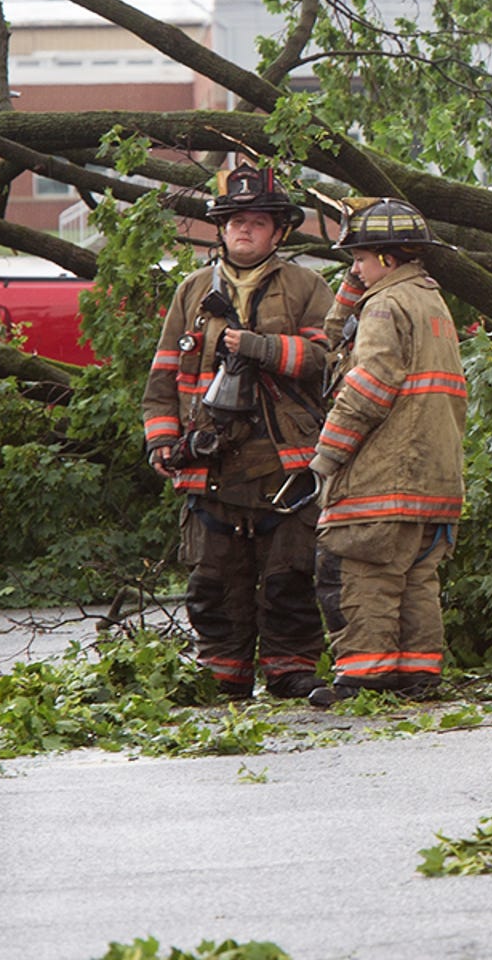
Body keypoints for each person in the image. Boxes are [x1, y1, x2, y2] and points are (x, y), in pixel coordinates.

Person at [140, 163, 336, 700]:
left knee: (288, 575)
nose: (243, 230)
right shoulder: (192, 292)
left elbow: (327, 360)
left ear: (279, 231)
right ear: (220, 229)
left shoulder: (306, 286)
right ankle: (222, 675)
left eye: (256, 221)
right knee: (214, 576)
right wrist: (161, 438)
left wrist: (258, 347)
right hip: (211, 460)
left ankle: (291, 670)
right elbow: (163, 378)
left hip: (283, 459)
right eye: (233, 221)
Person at [304, 199, 467, 706]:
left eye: (360, 258)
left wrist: (325, 459)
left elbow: (367, 389)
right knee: (418, 578)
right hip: (435, 475)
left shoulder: (384, 306)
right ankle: (418, 677)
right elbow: (332, 337)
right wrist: (354, 289)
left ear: (389, 260)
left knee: (360, 569)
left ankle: (363, 680)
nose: (354, 267)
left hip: (384, 473)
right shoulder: (430, 301)